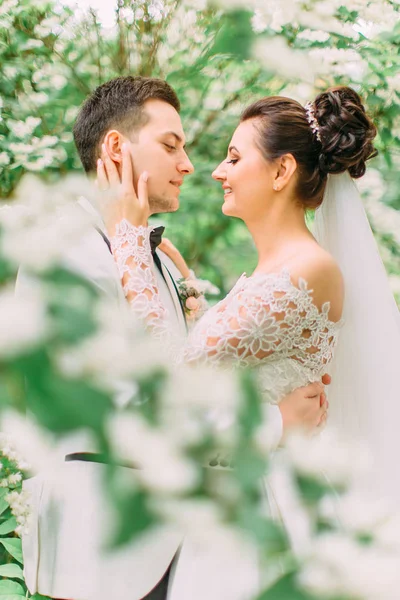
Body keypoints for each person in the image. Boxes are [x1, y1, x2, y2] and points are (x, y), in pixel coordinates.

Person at [21, 76, 329, 600]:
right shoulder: (66, 253)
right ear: (115, 148)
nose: (189, 164)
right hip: (103, 553)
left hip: (171, 551)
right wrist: (276, 421)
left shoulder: (150, 254)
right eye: (171, 145)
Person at [96, 84, 384, 599]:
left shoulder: (306, 271)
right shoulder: (273, 275)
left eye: (233, 157)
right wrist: (188, 294)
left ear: (281, 171)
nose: (216, 171)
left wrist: (128, 240)